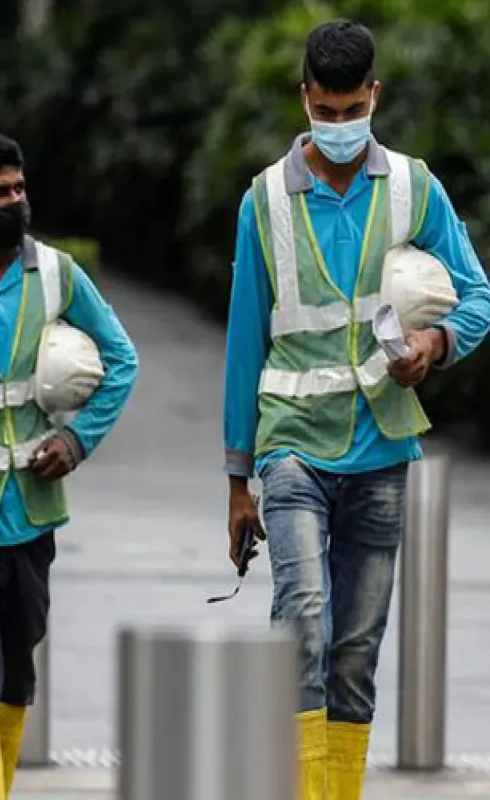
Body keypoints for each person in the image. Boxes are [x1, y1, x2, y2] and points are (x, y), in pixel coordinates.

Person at [223, 21, 490, 800]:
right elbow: (245, 341)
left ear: (375, 94)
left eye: (351, 109)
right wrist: (238, 478)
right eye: (326, 110)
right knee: (302, 621)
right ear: (304, 97)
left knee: (355, 652)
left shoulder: (415, 188)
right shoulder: (264, 201)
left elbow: (478, 295)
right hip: (291, 449)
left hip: (381, 450)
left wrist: (435, 344)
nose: (339, 126)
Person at [0, 133, 138, 799]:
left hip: (34, 517)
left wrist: (77, 443)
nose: (15, 202)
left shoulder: (57, 275)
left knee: (16, 675)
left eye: (19, 189)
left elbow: (122, 361)